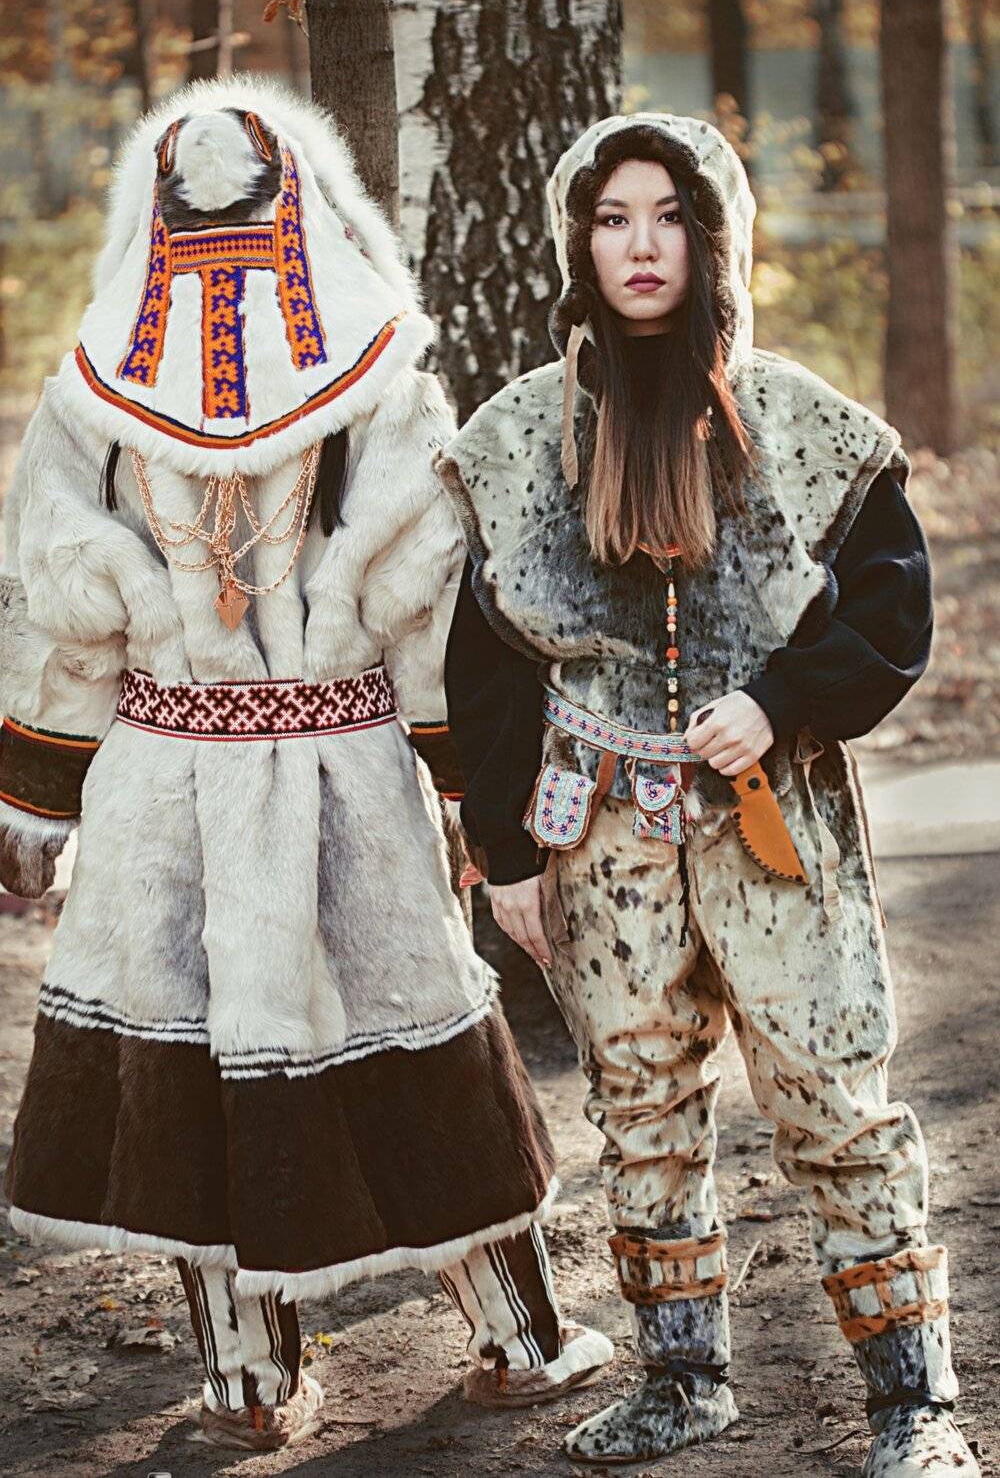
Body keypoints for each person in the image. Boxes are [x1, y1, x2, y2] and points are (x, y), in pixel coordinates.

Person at [0, 79, 612, 1452]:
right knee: (410, 1033)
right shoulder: (382, 383)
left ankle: (248, 1382)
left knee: (199, 1055)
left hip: (164, 773)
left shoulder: (93, 399)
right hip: (343, 769)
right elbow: (431, 610)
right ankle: (519, 1338)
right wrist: (474, 799)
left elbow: (54, 606)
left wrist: (34, 802)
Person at [437, 112, 978, 1476]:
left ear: (712, 234)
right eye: (613, 219)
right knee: (639, 1103)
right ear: (579, 241)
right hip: (600, 837)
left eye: (669, 217)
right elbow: (483, 671)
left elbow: (894, 610)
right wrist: (506, 853)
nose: (641, 246)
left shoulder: (799, 421)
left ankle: (915, 1408)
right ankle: (683, 1380)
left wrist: (783, 700)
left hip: (773, 821)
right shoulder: (519, 439)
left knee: (836, 1096)